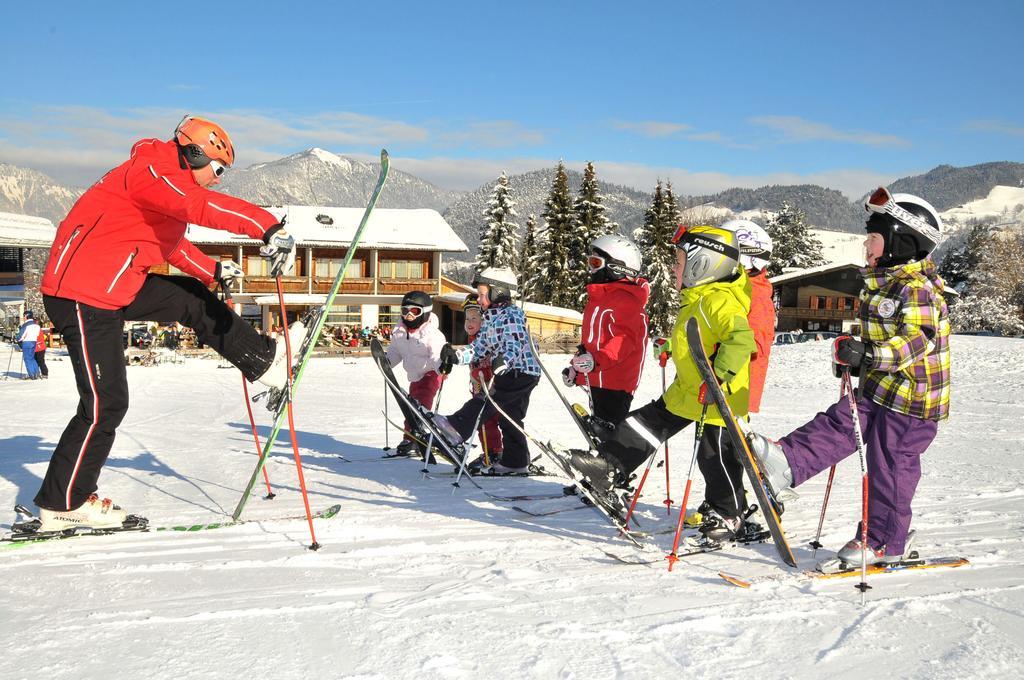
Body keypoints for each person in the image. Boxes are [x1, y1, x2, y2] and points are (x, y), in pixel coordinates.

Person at [34, 114, 303, 532]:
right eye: (217, 169)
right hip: (82, 294)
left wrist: (213, 272)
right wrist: (266, 228)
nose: (217, 179)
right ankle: (63, 503)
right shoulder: (154, 172)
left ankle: (263, 361)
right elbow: (198, 207)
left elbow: (172, 245)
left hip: (112, 285)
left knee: (192, 300)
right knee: (105, 404)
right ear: (194, 152)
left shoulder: (167, 182)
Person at [748, 187, 950, 567]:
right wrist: (856, 356)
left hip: (912, 401)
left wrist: (872, 354)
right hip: (880, 387)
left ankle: (886, 541)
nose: (866, 245)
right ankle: (787, 462)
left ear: (901, 241)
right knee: (842, 421)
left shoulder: (916, 289)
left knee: (889, 463)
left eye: (873, 238)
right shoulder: (882, 284)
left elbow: (917, 339)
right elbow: (882, 337)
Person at [569, 226, 757, 538]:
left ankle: (728, 512)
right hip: (687, 391)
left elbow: (740, 341)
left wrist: (718, 378)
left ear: (703, 265)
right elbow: (698, 340)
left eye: (680, 262)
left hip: (719, 397)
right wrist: (671, 346)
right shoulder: (697, 300)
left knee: (716, 457)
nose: (673, 268)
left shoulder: (721, 302)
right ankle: (609, 465)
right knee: (642, 424)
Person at [685, 219, 775, 539]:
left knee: (718, 452)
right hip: (719, 386)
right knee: (712, 451)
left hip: (733, 388)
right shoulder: (738, 290)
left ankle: (730, 512)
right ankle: (720, 503)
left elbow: (756, 343)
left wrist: (723, 359)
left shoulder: (757, 295)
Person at [436, 267, 541, 475]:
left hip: (521, 372)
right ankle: (515, 462)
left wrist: (504, 360)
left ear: (498, 292)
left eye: (483, 295)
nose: (480, 300)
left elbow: (516, 343)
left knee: (487, 400)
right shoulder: (490, 317)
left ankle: (457, 427)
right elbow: (479, 348)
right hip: (511, 372)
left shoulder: (511, 315)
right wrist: (457, 356)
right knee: (509, 417)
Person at [563, 234, 650, 426]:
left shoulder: (626, 301)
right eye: (590, 262)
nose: (590, 268)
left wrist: (595, 361)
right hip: (598, 379)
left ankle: (610, 455)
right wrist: (576, 370)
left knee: (609, 434)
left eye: (595, 262)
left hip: (615, 385)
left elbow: (623, 340)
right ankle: (600, 452)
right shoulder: (600, 300)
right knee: (599, 433)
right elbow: (591, 344)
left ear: (617, 267)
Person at [385, 290, 447, 457]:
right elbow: (395, 352)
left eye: (415, 311)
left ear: (425, 312)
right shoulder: (399, 333)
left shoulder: (432, 334)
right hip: (414, 376)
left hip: (431, 374)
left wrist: (441, 366)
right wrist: (387, 361)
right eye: (405, 310)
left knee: (419, 406)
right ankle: (411, 437)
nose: (409, 315)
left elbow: (436, 355)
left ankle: (416, 436)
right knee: (410, 407)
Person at [462, 294, 503, 465]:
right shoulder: (472, 339)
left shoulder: (486, 339)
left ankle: (494, 452)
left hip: (490, 387)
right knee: (482, 421)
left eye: (474, 318)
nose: (469, 322)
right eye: (466, 318)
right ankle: (491, 451)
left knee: (486, 420)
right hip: (479, 386)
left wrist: (483, 374)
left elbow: (492, 362)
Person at [16, 310, 41, 379]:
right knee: (32, 358)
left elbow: (21, 336)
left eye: (24, 316)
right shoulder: (36, 325)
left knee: (27, 359)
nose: (23, 318)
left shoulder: (26, 325)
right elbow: (37, 334)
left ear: (26, 316)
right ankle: (37, 373)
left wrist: (17, 338)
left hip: (27, 342)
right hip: (33, 342)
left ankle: (32, 375)